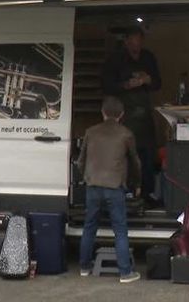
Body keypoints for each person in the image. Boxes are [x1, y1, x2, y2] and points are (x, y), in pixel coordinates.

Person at [77, 96, 142, 283]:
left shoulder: (90, 132)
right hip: (114, 186)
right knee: (120, 229)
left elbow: (80, 161)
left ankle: (84, 267)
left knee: (89, 226)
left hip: (93, 185)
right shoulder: (126, 134)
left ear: (103, 113)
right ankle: (125, 273)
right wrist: (137, 184)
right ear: (122, 114)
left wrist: (86, 177)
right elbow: (135, 162)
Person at [102, 26, 161, 204]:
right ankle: (124, 193)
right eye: (134, 40)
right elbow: (106, 85)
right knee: (124, 155)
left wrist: (147, 79)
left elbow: (158, 83)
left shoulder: (148, 57)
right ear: (126, 40)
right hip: (123, 116)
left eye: (140, 40)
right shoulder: (115, 59)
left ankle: (147, 195)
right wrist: (127, 85)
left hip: (144, 116)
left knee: (147, 156)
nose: (137, 44)